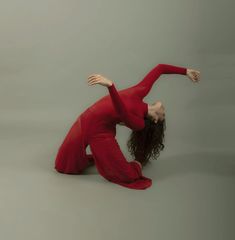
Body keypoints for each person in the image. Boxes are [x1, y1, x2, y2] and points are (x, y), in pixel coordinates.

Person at [54, 63, 200, 190]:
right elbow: (160, 68)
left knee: (128, 176)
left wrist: (111, 86)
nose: (164, 110)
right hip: (87, 118)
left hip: (101, 133)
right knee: (63, 165)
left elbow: (121, 110)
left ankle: (136, 164)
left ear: (155, 120)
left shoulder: (138, 123)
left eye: (164, 116)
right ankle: (102, 157)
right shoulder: (141, 91)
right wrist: (186, 71)